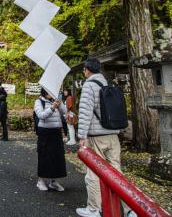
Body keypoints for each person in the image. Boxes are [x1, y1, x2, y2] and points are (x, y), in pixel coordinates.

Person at [76, 58, 136, 217]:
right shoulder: (107, 84)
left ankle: (94, 208)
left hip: (97, 137)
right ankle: (131, 209)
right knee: (118, 173)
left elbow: (85, 113)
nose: (84, 71)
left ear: (88, 69)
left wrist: (81, 136)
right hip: (113, 135)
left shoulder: (89, 85)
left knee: (93, 173)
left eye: (84, 69)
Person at [34, 88, 67, 192]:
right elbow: (41, 116)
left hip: (56, 132)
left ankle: (54, 182)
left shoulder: (56, 101)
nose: (51, 94)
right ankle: (41, 181)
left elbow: (65, 113)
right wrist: (52, 108)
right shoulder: (38, 102)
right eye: (49, 92)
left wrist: (60, 104)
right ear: (44, 92)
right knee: (44, 157)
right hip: (44, 133)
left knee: (57, 157)